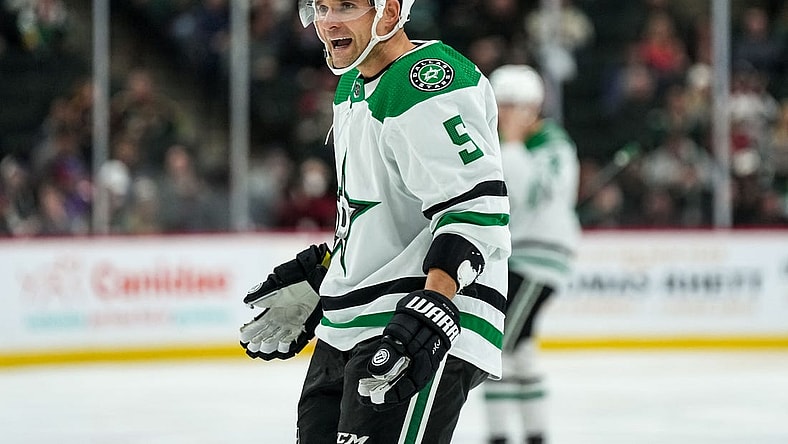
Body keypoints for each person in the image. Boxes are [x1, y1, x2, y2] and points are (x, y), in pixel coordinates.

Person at [238, 1, 511, 443]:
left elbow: (476, 210)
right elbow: (376, 213)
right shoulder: (349, 88)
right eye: (322, 7)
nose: (328, 20)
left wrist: (431, 311)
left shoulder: (428, 81)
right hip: (349, 325)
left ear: (389, 12)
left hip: (417, 317)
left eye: (346, 5)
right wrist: (327, 272)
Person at [482, 65, 581, 444]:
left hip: (537, 260)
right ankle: (534, 435)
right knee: (519, 350)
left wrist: (509, 141)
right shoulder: (517, 145)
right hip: (520, 257)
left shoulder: (551, 144)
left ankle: (500, 436)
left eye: (512, 106)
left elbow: (524, 192)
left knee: (498, 347)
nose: (504, 114)